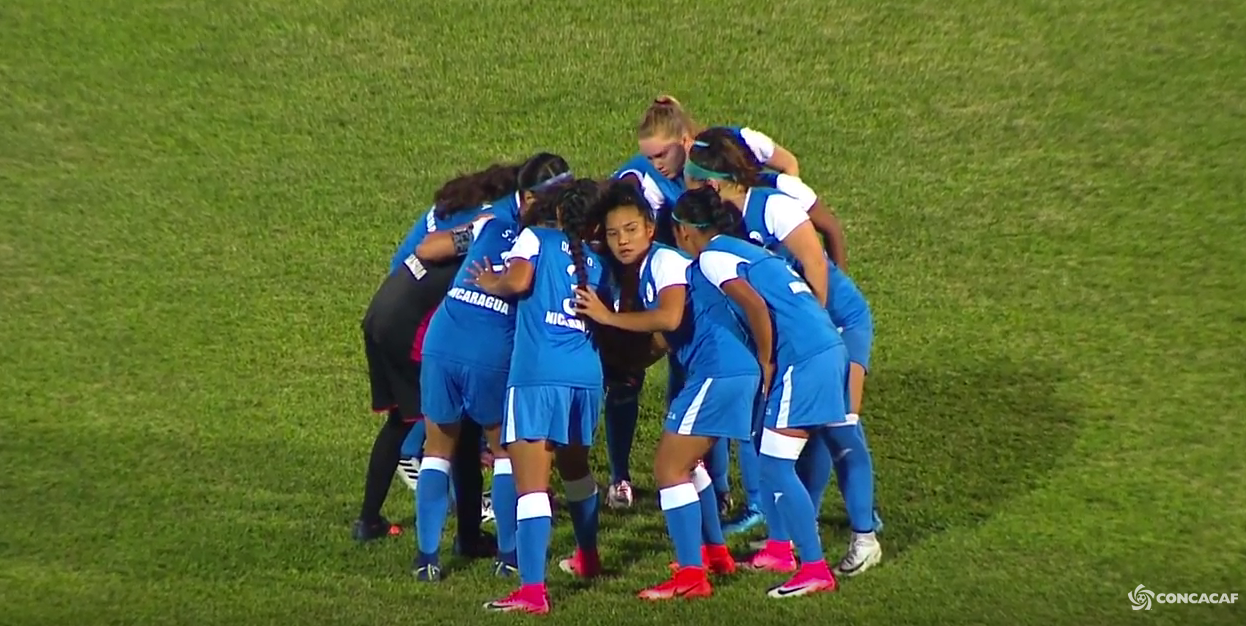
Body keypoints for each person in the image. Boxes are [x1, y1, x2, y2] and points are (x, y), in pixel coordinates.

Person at [686, 129, 883, 576]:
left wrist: (808, 328)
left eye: (692, 183)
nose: (688, 191)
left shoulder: (770, 206)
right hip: (800, 335)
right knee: (790, 433)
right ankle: (789, 537)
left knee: (840, 430)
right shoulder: (724, 224)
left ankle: (863, 535)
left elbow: (815, 262)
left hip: (837, 324)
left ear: (713, 184)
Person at [603, 96, 798, 511]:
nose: (655, 163)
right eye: (648, 155)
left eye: (661, 153)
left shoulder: (727, 147)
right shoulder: (642, 180)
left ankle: (741, 499)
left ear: (686, 141)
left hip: (723, 294)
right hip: (685, 292)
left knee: (722, 394)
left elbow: (788, 166)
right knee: (683, 392)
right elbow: (621, 217)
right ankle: (639, 480)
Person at [573, 182, 754, 600]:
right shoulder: (652, 266)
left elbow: (670, 319)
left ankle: (691, 576)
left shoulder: (665, 263)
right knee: (689, 465)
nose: (622, 241)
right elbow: (666, 340)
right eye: (614, 233)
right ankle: (715, 555)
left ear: (651, 228)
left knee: (667, 469)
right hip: (723, 371)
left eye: (631, 230)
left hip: (718, 370)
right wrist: (628, 367)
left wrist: (605, 317)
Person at [670, 186, 845, 598]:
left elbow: (754, 307)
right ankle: (783, 551)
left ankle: (815, 567)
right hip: (822, 348)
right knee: (775, 460)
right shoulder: (745, 249)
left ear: (683, 231)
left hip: (802, 357)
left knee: (775, 467)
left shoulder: (712, 257)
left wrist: (766, 361)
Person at [408, 154, 573, 582]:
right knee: (503, 451)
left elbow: (428, 248)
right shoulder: (552, 247)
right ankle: (507, 553)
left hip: (443, 338)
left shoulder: (487, 223)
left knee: (437, 449)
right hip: (492, 350)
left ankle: (426, 557)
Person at [353, 162, 522, 547]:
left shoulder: (463, 202)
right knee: (450, 427)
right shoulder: (495, 224)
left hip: (385, 307)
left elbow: (421, 251)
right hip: (410, 325)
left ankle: (371, 521)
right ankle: (464, 529)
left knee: (411, 420)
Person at [470, 180, 607, 615]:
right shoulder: (598, 260)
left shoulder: (536, 237)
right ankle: (587, 557)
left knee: (532, 488)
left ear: (559, 211)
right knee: (576, 472)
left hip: (537, 376)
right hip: (585, 376)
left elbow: (519, 280)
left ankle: (532, 591)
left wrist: (490, 280)